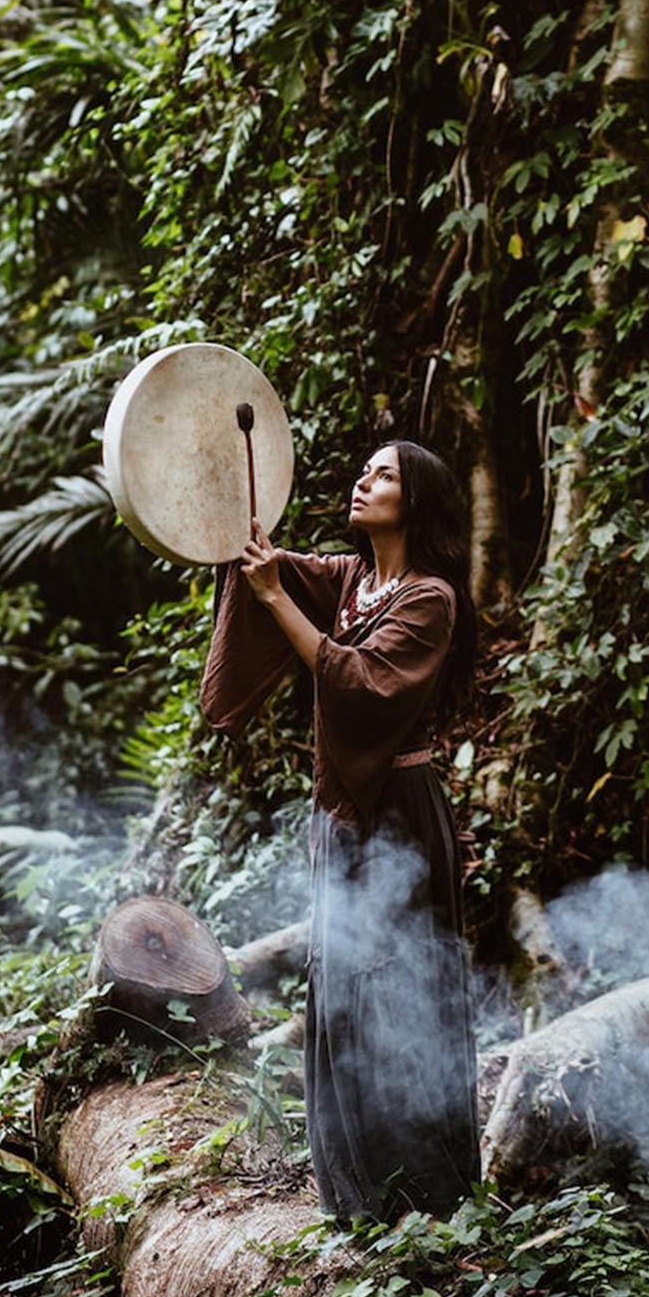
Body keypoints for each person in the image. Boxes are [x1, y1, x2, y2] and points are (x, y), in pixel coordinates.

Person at [200, 440, 481, 1224]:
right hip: (342, 816)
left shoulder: (430, 599)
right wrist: (234, 528)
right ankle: (359, 1196)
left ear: (416, 502)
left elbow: (358, 685)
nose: (364, 480)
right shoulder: (355, 579)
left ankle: (427, 1194)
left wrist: (274, 598)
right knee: (345, 988)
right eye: (365, 470)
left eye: (383, 474)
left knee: (401, 986)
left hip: (400, 816)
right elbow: (276, 567)